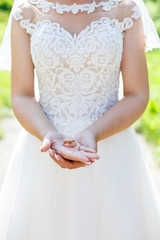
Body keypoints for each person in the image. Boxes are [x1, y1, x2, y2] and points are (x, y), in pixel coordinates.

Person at [0, 0, 160, 239]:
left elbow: (136, 94)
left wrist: (93, 134)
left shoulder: (125, 8)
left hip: (110, 149)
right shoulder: (26, 10)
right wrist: (49, 135)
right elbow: (22, 95)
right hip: (43, 149)